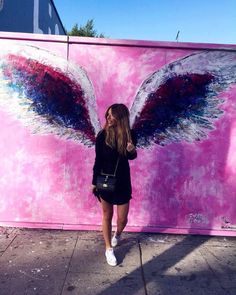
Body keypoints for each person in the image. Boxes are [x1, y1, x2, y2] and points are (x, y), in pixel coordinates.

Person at [92, 103, 137, 266]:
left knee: (122, 219)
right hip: (105, 181)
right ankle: (108, 249)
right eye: (107, 115)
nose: (108, 118)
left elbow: (132, 157)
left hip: (123, 181)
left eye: (112, 115)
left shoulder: (130, 134)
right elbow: (98, 160)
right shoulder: (102, 135)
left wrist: (131, 150)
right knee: (106, 215)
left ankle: (117, 234)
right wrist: (93, 182)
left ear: (120, 117)